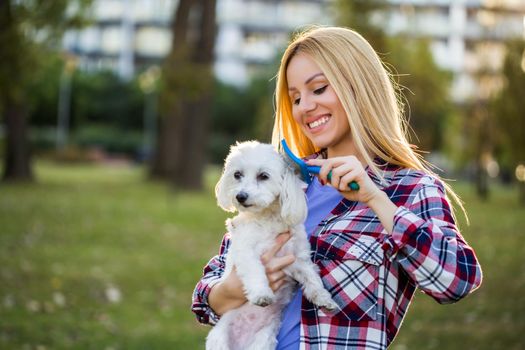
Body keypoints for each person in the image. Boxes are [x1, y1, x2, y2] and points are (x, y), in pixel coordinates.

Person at [192, 26, 482, 349]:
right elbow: (208, 294)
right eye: (296, 98)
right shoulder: (286, 179)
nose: (304, 107)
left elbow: (457, 280)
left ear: (357, 87)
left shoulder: (411, 190)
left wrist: (374, 198)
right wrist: (228, 291)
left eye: (318, 89)